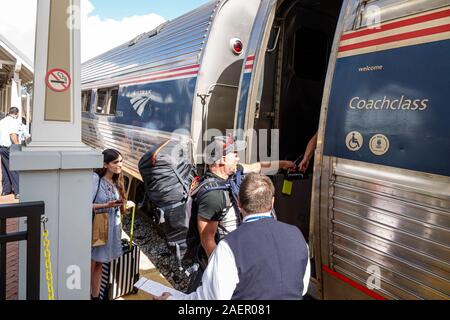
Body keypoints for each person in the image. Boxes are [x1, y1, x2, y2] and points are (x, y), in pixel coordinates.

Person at [157, 173, 310, 300]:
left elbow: (211, 299)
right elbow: (301, 288)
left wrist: (171, 299)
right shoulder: (298, 237)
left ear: (239, 203)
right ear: (272, 202)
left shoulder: (228, 247)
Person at [194, 136, 296, 260]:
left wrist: (283, 164)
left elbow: (256, 167)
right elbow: (207, 241)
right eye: (235, 154)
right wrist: (221, 269)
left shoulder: (233, 171)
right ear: (223, 160)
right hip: (230, 257)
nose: (238, 158)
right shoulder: (212, 196)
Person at [91, 149, 127, 300]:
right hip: (98, 226)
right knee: (91, 264)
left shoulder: (117, 181)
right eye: (115, 162)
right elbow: (85, 205)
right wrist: (107, 205)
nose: (120, 165)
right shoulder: (95, 179)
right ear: (105, 164)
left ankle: (95, 295)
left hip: (111, 226)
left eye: (121, 161)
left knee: (99, 263)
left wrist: (121, 203)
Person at [0, 107, 21, 198]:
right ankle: (18, 192)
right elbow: (13, 134)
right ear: (17, 114)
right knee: (15, 169)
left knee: (5, 168)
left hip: (2, 147)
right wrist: (17, 146)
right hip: (10, 148)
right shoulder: (13, 121)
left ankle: (6, 190)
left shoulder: (2, 121)